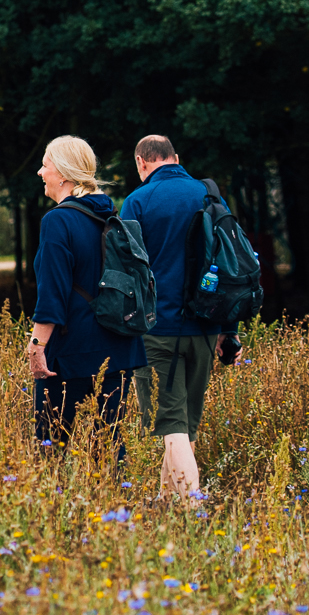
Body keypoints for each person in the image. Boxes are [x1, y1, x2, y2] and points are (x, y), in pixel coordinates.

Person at [118, 134, 227, 497]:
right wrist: (229, 329)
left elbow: (125, 271)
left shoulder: (137, 201)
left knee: (171, 426)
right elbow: (227, 265)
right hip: (206, 327)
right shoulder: (209, 196)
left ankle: (193, 511)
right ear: (176, 158)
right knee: (184, 428)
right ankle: (168, 508)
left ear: (141, 163)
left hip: (158, 330)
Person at [27, 136, 146, 447]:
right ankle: (115, 496)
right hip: (121, 347)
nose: (40, 172)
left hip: (72, 352)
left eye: (45, 165)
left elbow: (53, 291)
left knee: (50, 445)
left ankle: (54, 497)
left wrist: (38, 346)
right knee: (108, 447)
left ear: (64, 174)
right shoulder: (111, 215)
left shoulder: (58, 221)